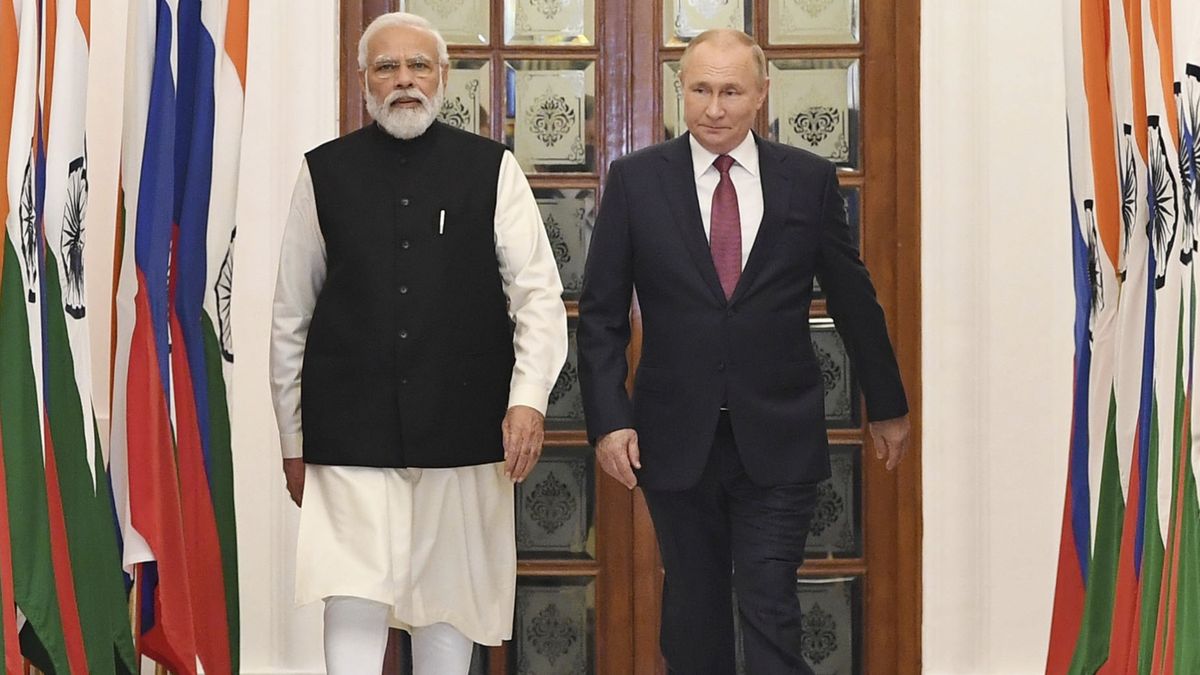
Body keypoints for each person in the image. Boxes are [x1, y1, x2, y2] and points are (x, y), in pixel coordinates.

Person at [578, 28, 911, 675]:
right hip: (674, 437)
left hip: (779, 434)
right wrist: (610, 419)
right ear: (680, 90)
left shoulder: (807, 181)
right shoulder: (636, 181)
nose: (714, 107)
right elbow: (601, 314)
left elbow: (854, 300)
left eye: (731, 91)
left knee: (770, 606)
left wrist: (888, 404)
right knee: (692, 615)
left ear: (762, 94)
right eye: (700, 89)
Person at [269, 11, 567, 675]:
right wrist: (293, 439)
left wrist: (528, 399)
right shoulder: (323, 172)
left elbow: (538, 296)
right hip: (348, 428)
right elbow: (291, 313)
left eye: (419, 65)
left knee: (449, 601)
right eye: (387, 67)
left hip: (463, 425)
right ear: (364, 82)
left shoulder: (492, 169)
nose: (404, 79)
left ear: (443, 76)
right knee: (351, 590)